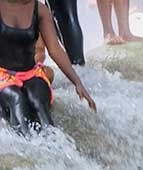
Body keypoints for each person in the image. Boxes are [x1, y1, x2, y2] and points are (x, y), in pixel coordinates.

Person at [1, 0, 96, 134]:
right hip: (3, 75)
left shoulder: (40, 9)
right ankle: (27, 146)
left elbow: (55, 49)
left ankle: (54, 144)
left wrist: (77, 82)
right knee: (16, 99)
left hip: (31, 73)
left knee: (38, 98)